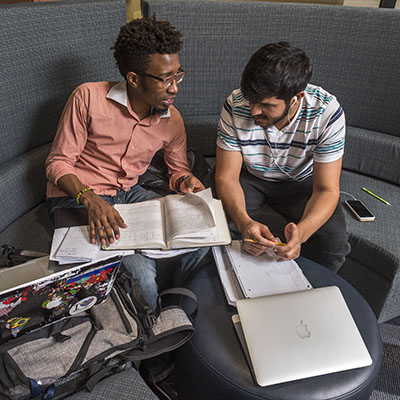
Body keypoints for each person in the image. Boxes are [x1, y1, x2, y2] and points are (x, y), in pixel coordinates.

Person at [45, 16, 209, 312]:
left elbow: (178, 170)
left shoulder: (173, 120)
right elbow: (57, 163)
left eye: (178, 75)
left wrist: (185, 181)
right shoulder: (88, 98)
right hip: (77, 197)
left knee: (202, 240)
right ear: (134, 79)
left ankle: (176, 314)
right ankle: (152, 347)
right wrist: (90, 198)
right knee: (141, 275)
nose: (174, 88)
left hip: (129, 195)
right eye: (165, 79)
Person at [215, 42, 350, 272]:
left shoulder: (326, 112)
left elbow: (327, 189)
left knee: (334, 244)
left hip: (301, 180)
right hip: (249, 176)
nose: (254, 111)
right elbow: (226, 177)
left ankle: (310, 293)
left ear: (296, 98)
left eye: (266, 105)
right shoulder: (236, 104)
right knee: (221, 226)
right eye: (252, 100)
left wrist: (302, 235)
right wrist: (245, 223)